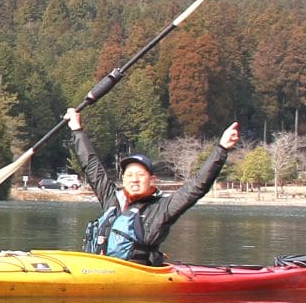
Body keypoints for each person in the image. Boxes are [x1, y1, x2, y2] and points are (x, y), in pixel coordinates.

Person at [65, 107, 241, 265]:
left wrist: (221, 149)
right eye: (130, 175)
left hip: (140, 274)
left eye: (140, 175)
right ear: (123, 178)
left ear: (152, 180)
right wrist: (76, 129)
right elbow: (92, 167)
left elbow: (198, 186)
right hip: (99, 269)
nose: (134, 180)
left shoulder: (163, 208)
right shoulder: (113, 200)